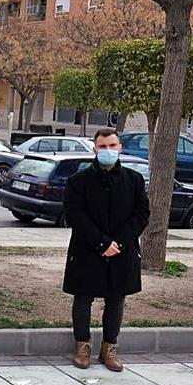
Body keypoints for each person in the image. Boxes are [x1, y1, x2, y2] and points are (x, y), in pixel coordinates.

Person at [63, 128, 149, 372]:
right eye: (103, 146)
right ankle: (82, 345)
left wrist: (119, 243)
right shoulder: (78, 181)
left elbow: (141, 214)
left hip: (122, 250)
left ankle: (109, 347)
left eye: (112, 146)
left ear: (120, 148)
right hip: (88, 250)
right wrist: (101, 243)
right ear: (95, 150)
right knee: (83, 298)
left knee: (116, 299)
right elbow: (75, 215)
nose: (108, 151)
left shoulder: (133, 180)